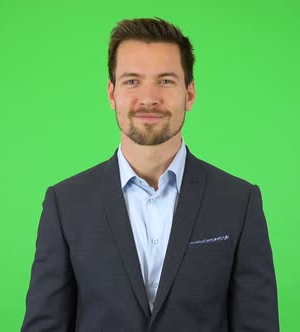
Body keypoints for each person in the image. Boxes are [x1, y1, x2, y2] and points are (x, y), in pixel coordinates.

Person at [21, 17, 279, 332]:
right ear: (111, 93)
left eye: (166, 81)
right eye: (132, 81)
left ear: (190, 94)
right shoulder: (65, 204)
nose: (149, 98)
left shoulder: (239, 202)